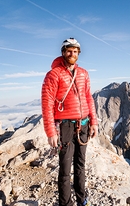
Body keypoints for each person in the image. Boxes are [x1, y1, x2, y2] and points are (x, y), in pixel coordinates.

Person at [41, 37, 98, 206]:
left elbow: (89, 98)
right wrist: (50, 131)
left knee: (80, 165)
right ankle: (65, 204)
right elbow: (47, 103)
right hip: (65, 126)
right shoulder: (53, 75)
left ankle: (82, 201)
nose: (72, 54)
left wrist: (94, 122)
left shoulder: (83, 74)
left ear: (78, 53)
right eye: (69, 51)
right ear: (63, 52)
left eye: (75, 51)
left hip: (84, 124)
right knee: (65, 169)